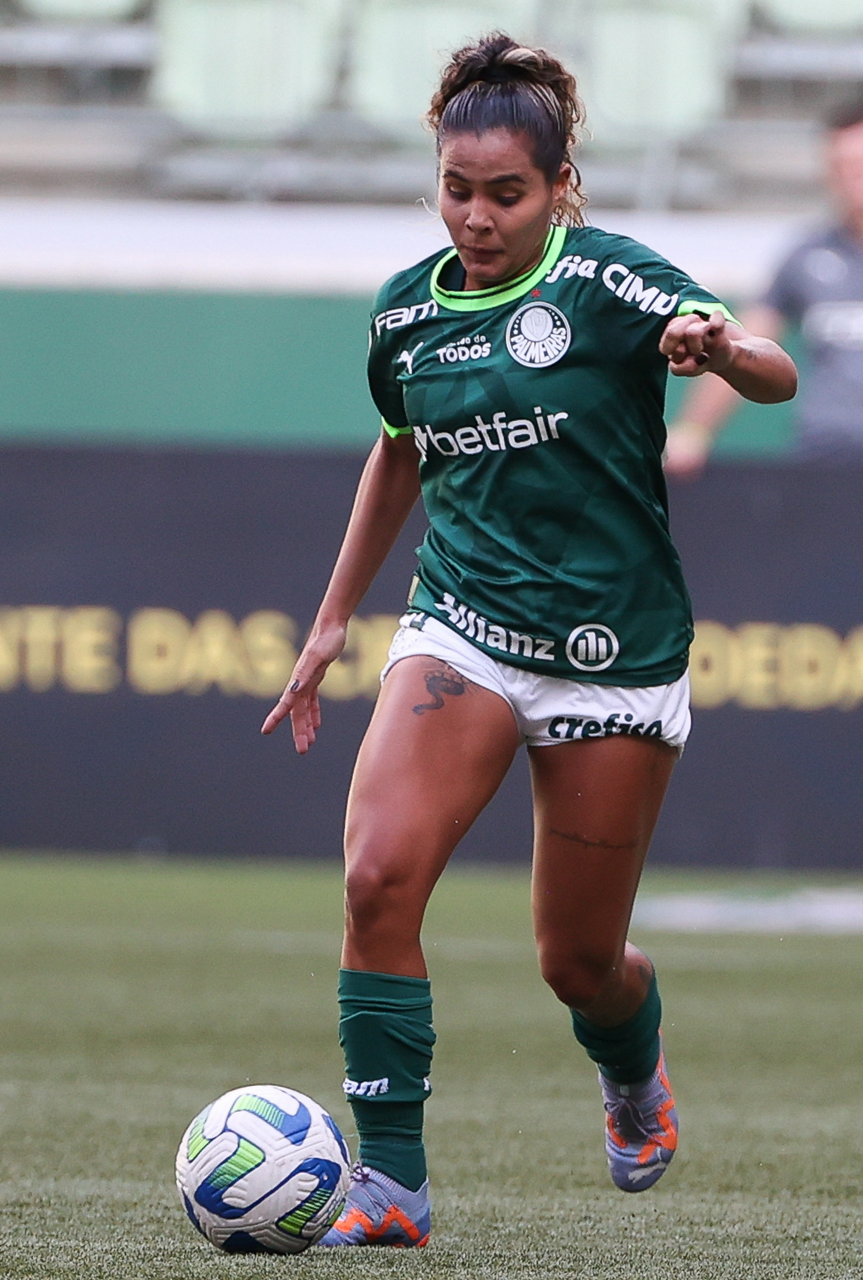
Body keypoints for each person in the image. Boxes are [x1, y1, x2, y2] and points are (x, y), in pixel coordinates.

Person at [262, 32, 797, 1248]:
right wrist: (336, 616)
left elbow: (775, 373)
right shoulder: (406, 313)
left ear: (559, 187)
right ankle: (391, 1186)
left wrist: (718, 348)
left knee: (578, 961)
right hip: (462, 625)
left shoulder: (608, 281)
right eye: (457, 189)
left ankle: (632, 1065)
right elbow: (401, 450)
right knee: (376, 876)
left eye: (506, 192)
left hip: (615, 652)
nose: (477, 216)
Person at [666, 98, 863, 475]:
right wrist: (693, 430)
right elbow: (745, 343)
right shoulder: (806, 256)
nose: (858, 176)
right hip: (824, 460)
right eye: (844, 165)